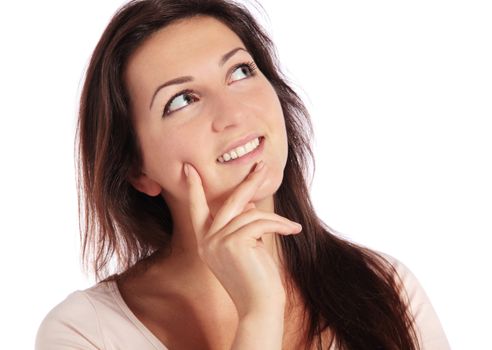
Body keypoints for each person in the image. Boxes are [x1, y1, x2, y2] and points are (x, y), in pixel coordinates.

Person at [35, 0, 450, 349]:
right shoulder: (86, 332)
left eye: (240, 72)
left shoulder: (386, 289)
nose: (234, 114)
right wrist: (258, 314)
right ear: (136, 170)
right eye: (182, 100)